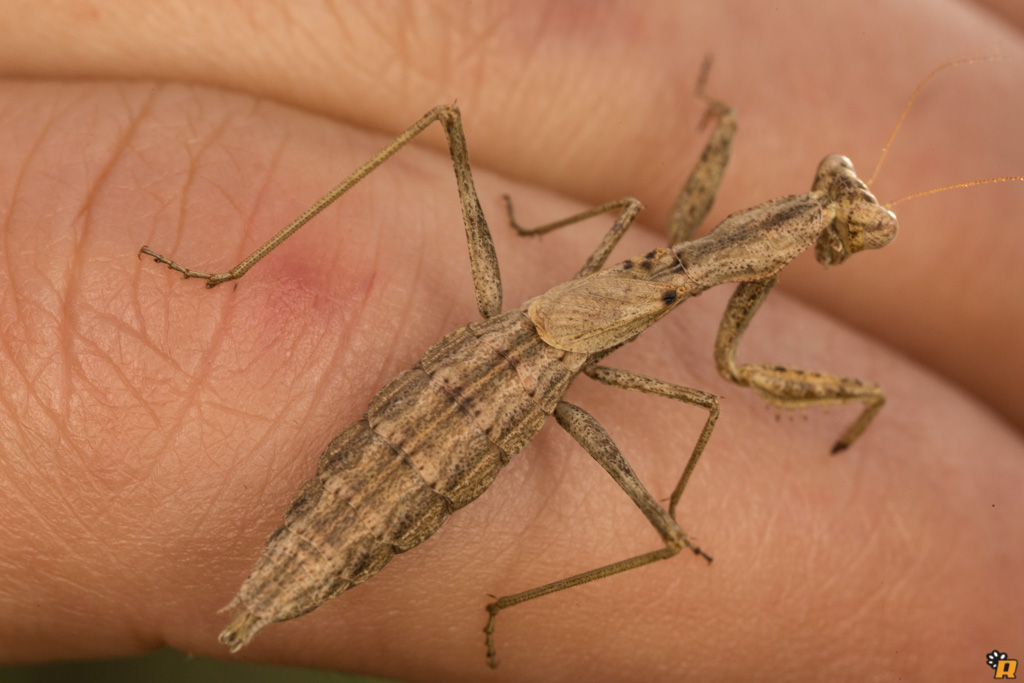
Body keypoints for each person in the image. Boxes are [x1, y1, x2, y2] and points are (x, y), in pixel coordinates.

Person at [1, 2, 1022, 680]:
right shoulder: (721, 265)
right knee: (676, 498)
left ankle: (231, 289)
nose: (838, 212)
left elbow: (644, 211)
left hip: (510, 352)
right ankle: (491, 604)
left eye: (839, 218)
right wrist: (861, 394)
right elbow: (731, 368)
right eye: (842, 209)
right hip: (520, 375)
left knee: (445, 123)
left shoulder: (677, 231)